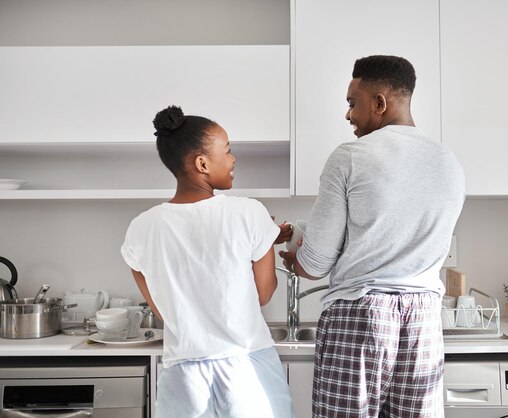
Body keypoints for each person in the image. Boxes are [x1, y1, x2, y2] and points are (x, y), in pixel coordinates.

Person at [279, 55, 465, 418]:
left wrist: (294, 259)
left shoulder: (350, 157)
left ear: (380, 102)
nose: (348, 115)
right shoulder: (449, 163)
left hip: (361, 315)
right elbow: (385, 235)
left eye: (353, 103)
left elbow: (314, 265)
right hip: (425, 319)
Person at [121, 105, 293, 418]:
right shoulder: (248, 212)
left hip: (182, 373)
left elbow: (152, 293)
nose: (233, 159)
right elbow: (263, 294)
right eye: (227, 151)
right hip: (245, 366)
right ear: (202, 163)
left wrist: (262, 237)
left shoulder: (142, 226)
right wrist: (265, 240)